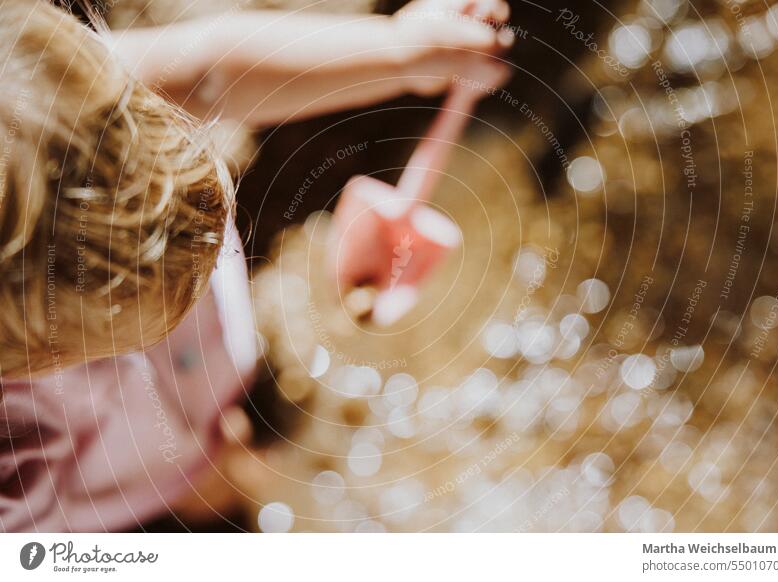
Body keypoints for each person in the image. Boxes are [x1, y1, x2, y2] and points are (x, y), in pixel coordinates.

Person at [0, 0, 510, 531]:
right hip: (111, 469)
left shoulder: (41, 95)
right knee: (192, 480)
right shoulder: (16, 471)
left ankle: (216, 432)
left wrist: (400, 51)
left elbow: (207, 71)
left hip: (194, 366)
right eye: (136, 315)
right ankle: (199, 474)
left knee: (211, 431)